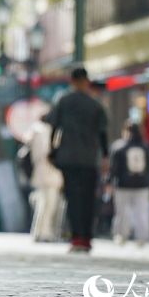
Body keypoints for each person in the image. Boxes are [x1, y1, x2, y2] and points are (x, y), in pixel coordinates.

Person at [44, 66, 109, 253]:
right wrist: (104, 156)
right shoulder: (95, 104)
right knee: (88, 198)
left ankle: (77, 237)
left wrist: (52, 150)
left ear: (72, 81)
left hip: (69, 157)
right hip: (89, 158)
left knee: (73, 197)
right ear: (86, 81)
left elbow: (54, 127)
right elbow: (102, 133)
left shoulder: (64, 101)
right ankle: (86, 237)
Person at [108, 122, 149, 246]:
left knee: (122, 212)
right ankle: (142, 236)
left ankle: (121, 235)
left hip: (123, 184)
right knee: (142, 211)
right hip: (142, 184)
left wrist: (110, 182)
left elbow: (114, 168)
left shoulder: (118, 147)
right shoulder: (146, 147)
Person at [26, 117, 63, 242]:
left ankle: (39, 231)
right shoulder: (45, 132)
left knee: (43, 204)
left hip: (42, 174)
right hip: (50, 174)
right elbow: (46, 152)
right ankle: (45, 232)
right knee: (49, 204)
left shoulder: (35, 132)